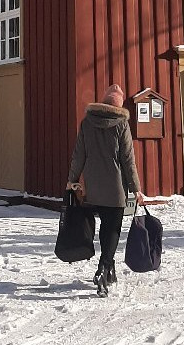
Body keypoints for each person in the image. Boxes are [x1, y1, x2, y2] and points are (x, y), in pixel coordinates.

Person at [66, 83, 144, 297]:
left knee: (104, 228)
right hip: (116, 187)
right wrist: (136, 189)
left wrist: (72, 179)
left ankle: (109, 269)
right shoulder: (121, 125)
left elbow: (78, 154)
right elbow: (128, 160)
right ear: (119, 106)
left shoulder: (87, 123)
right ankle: (104, 268)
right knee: (112, 228)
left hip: (93, 186)